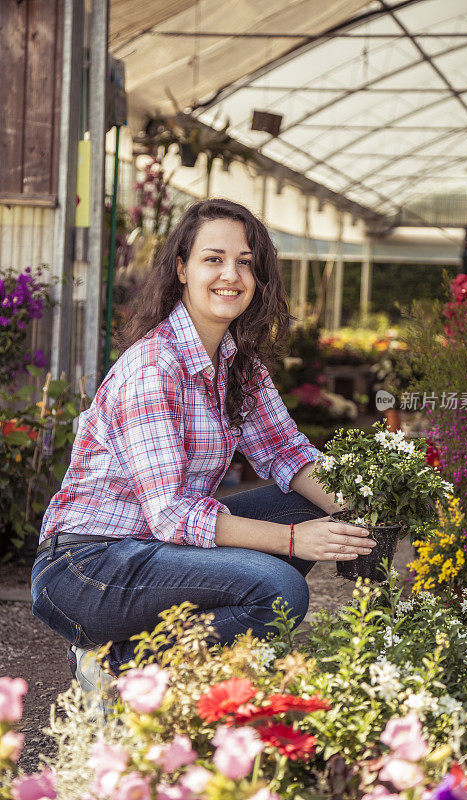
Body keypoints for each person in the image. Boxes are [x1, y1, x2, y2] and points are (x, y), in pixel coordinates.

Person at [31, 199, 375, 693]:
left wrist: (362, 507)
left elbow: (287, 453)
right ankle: (118, 666)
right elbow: (171, 515)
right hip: (87, 569)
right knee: (279, 592)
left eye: (246, 262)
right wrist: (297, 541)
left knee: (300, 502)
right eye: (213, 259)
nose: (230, 275)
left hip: (153, 551)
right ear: (182, 269)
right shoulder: (155, 366)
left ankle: (160, 664)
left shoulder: (239, 365)